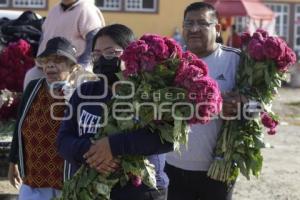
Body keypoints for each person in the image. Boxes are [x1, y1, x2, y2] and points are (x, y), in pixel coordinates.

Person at [57, 24, 172, 200]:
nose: (102, 59)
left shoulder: (151, 92)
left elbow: (167, 139)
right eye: (96, 54)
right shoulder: (84, 92)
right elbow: (63, 140)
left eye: (111, 52)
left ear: (130, 53)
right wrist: (92, 152)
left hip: (141, 192)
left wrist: (113, 146)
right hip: (90, 190)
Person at [165, 2, 247, 200]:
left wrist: (243, 105)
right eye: (189, 23)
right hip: (172, 166)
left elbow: (260, 108)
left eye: (202, 23)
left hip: (218, 169)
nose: (194, 29)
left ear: (217, 28)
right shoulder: (170, 62)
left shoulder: (236, 60)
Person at [7, 37, 85, 200]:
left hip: (66, 179)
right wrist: (13, 161)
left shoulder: (80, 93)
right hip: (34, 176)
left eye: (58, 61)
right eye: (47, 60)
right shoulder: (33, 88)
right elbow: (20, 124)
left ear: (73, 68)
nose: (50, 65)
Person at [23, 0, 105, 90]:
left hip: (69, 67)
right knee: (31, 78)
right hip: (45, 66)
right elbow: (44, 37)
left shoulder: (87, 9)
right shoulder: (54, 10)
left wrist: (84, 66)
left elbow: (94, 40)